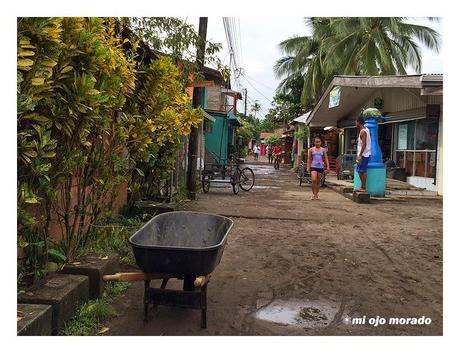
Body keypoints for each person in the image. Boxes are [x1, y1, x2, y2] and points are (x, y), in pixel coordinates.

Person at [356, 116, 372, 192]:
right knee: (359, 170)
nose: (355, 123)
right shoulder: (367, 129)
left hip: (363, 154)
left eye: (356, 122)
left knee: (362, 170)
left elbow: (364, 144)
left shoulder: (362, 132)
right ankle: (362, 186)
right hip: (365, 153)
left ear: (358, 122)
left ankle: (363, 187)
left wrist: (360, 155)